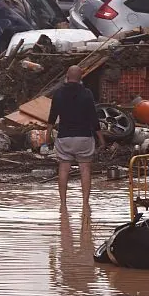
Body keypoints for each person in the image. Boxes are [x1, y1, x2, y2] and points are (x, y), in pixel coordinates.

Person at [48, 65, 105, 213]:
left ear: (67, 76)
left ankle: (63, 204)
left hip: (64, 137)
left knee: (64, 168)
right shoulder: (87, 93)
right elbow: (93, 117)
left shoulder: (59, 93)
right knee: (85, 169)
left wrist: (48, 134)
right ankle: (85, 204)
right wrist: (101, 138)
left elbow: (52, 116)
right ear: (81, 78)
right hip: (84, 137)